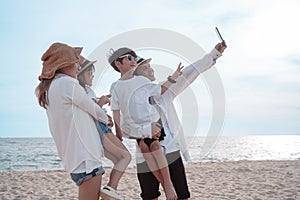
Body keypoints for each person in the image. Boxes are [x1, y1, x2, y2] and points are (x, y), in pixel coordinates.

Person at [110, 41, 227, 200]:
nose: (150, 69)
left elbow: (189, 73)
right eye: (145, 67)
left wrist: (214, 54)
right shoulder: (126, 98)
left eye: (149, 66)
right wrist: (145, 130)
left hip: (171, 151)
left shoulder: (164, 92)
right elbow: (124, 128)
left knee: (181, 195)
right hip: (144, 156)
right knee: (150, 196)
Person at [35, 42, 111, 200]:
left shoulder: (50, 89)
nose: (78, 67)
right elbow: (92, 108)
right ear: (64, 65)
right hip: (86, 158)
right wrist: (107, 118)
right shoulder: (67, 83)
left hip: (75, 159)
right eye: (76, 62)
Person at [109, 48, 184, 200]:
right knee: (144, 147)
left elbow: (160, 90)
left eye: (134, 58)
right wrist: (118, 133)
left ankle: (168, 185)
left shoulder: (141, 81)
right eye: (129, 58)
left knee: (154, 146)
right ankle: (165, 184)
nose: (132, 61)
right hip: (137, 130)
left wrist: (174, 76)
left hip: (152, 124)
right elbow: (115, 111)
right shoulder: (115, 87)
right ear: (118, 63)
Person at [77, 56, 131, 200]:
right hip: (98, 129)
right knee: (126, 156)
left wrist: (105, 114)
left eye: (93, 73)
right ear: (80, 74)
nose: (92, 76)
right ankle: (110, 189)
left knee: (119, 159)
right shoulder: (79, 91)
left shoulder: (88, 91)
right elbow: (87, 113)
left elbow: (94, 108)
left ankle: (110, 190)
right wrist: (100, 104)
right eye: (89, 73)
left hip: (99, 128)